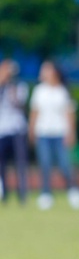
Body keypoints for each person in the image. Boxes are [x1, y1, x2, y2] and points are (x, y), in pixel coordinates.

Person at [29, 60, 79, 210]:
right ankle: (46, 194)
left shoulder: (63, 91)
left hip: (60, 133)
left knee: (65, 165)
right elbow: (34, 113)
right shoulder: (39, 91)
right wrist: (32, 131)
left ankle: (73, 192)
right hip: (43, 133)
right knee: (45, 164)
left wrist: (71, 133)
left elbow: (69, 114)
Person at [0, 59, 29, 203]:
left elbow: (20, 105)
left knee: (20, 163)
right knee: (1, 164)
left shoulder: (20, 86)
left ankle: (22, 194)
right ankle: (4, 194)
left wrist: (12, 91)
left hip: (17, 129)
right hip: (2, 129)